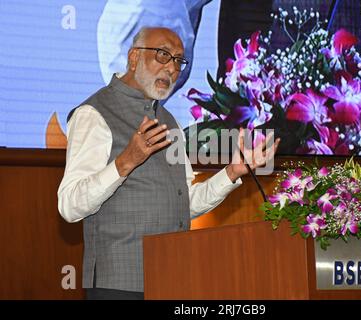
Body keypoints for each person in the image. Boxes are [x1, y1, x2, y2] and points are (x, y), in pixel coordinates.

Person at [57, 26, 280, 300]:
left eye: (178, 60)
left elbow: (183, 204)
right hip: (119, 286)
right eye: (163, 55)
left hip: (172, 277)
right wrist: (125, 162)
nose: (172, 68)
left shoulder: (169, 122)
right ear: (134, 58)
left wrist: (232, 172)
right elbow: (69, 206)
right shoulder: (93, 113)